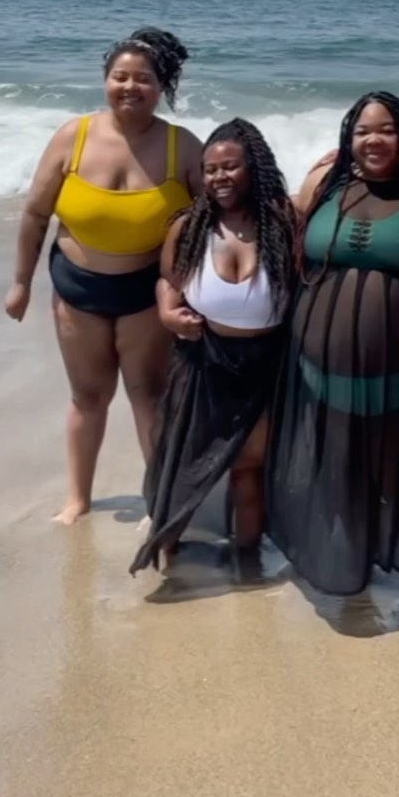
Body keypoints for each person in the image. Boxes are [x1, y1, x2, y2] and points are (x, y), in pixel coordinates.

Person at [4, 27, 202, 524]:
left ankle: (161, 502)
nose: (130, 87)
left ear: (162, 87)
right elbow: (36, 214)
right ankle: (78, 499)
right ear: (105, 80)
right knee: (88, 397)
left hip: (146, 291)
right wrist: (21, 282)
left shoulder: (181, 146)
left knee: (147, 396)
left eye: (143, 79)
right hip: (77, 287)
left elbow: (217, 215)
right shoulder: (73, 136)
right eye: (120, 76)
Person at [267, 92, 399, 597]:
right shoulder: (323, 183)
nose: (374, 140)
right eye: (363, 131)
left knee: (397, 473)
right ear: (347, 138)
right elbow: (274, 230)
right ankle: (346, 567)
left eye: (387, 130)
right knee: (337, 469)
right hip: (317, 371)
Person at [130, 119, 296, 574]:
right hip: (202, 360)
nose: (220, 177)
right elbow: (168, 280)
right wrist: (167, 312)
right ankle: (168, 556)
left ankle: (247, 562)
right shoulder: (188, 227)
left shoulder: (284, 224)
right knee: (181, 463)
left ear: (254, 168)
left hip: (266, 365)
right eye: (210, 169)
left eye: (230, 167)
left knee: (247, 468)